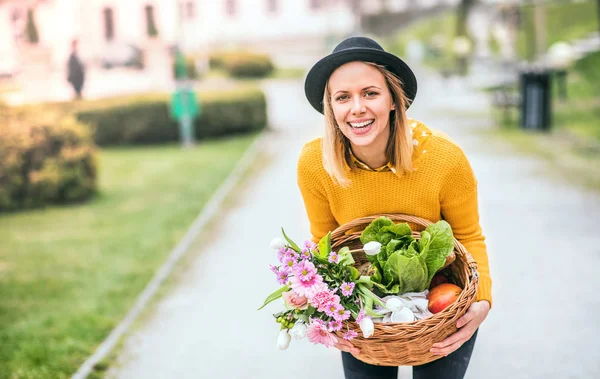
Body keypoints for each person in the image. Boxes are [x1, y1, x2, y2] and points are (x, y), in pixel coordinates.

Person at [297, 36, 492, 379]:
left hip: (440, 305)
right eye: (343, 97)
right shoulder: (315, 163)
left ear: (393, 100)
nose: (356, 107)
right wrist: (324, 313)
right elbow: (323, 242)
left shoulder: (444, 159)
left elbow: (468, 236)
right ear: (332, 108)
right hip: (364, 305)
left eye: (370, 93)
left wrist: (482, 303)